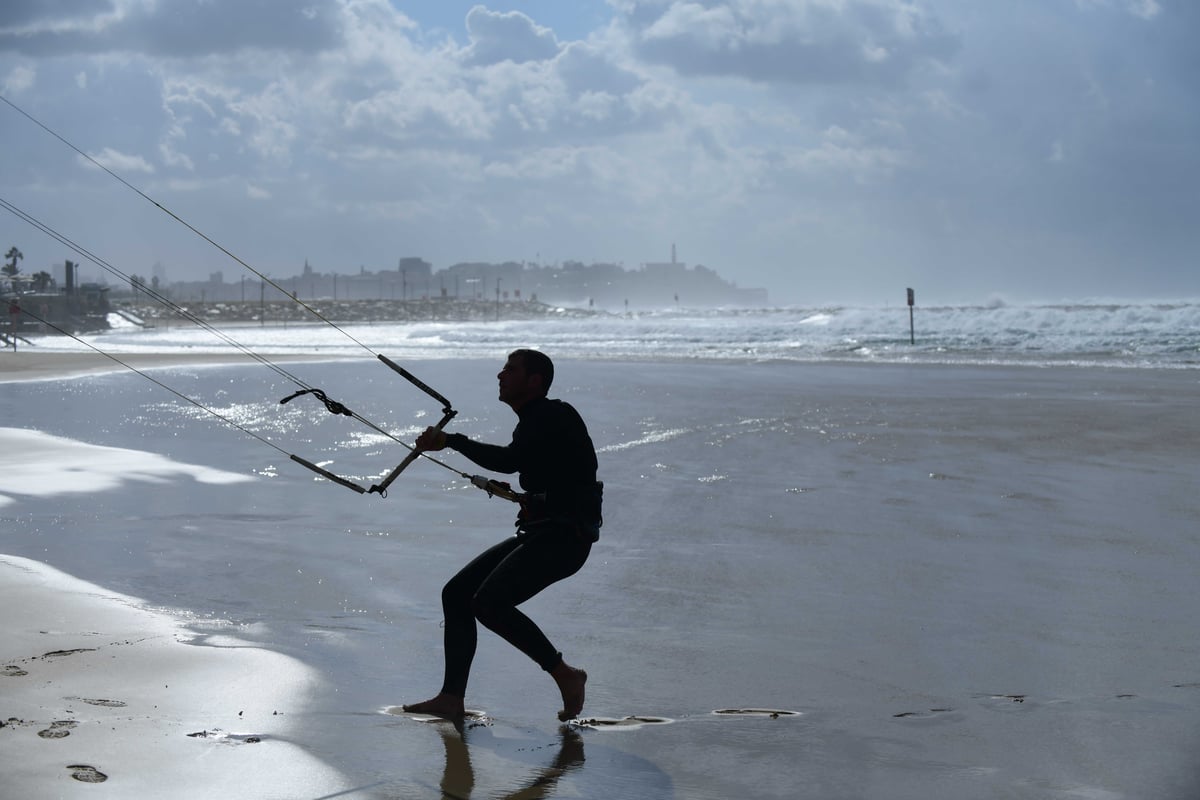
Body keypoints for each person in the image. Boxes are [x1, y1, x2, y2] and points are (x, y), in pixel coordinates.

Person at [403, 349, 603, 722]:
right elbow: (532, 467)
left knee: (488, 603)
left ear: (534, 381)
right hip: (544, 533)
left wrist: (451, 441)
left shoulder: (552, 414)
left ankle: (566, 676)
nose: (500, 374)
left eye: (510, 369)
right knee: (458, 594)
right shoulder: (534, 419)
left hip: (566, 538)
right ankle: (451, 698)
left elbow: (510, 461)